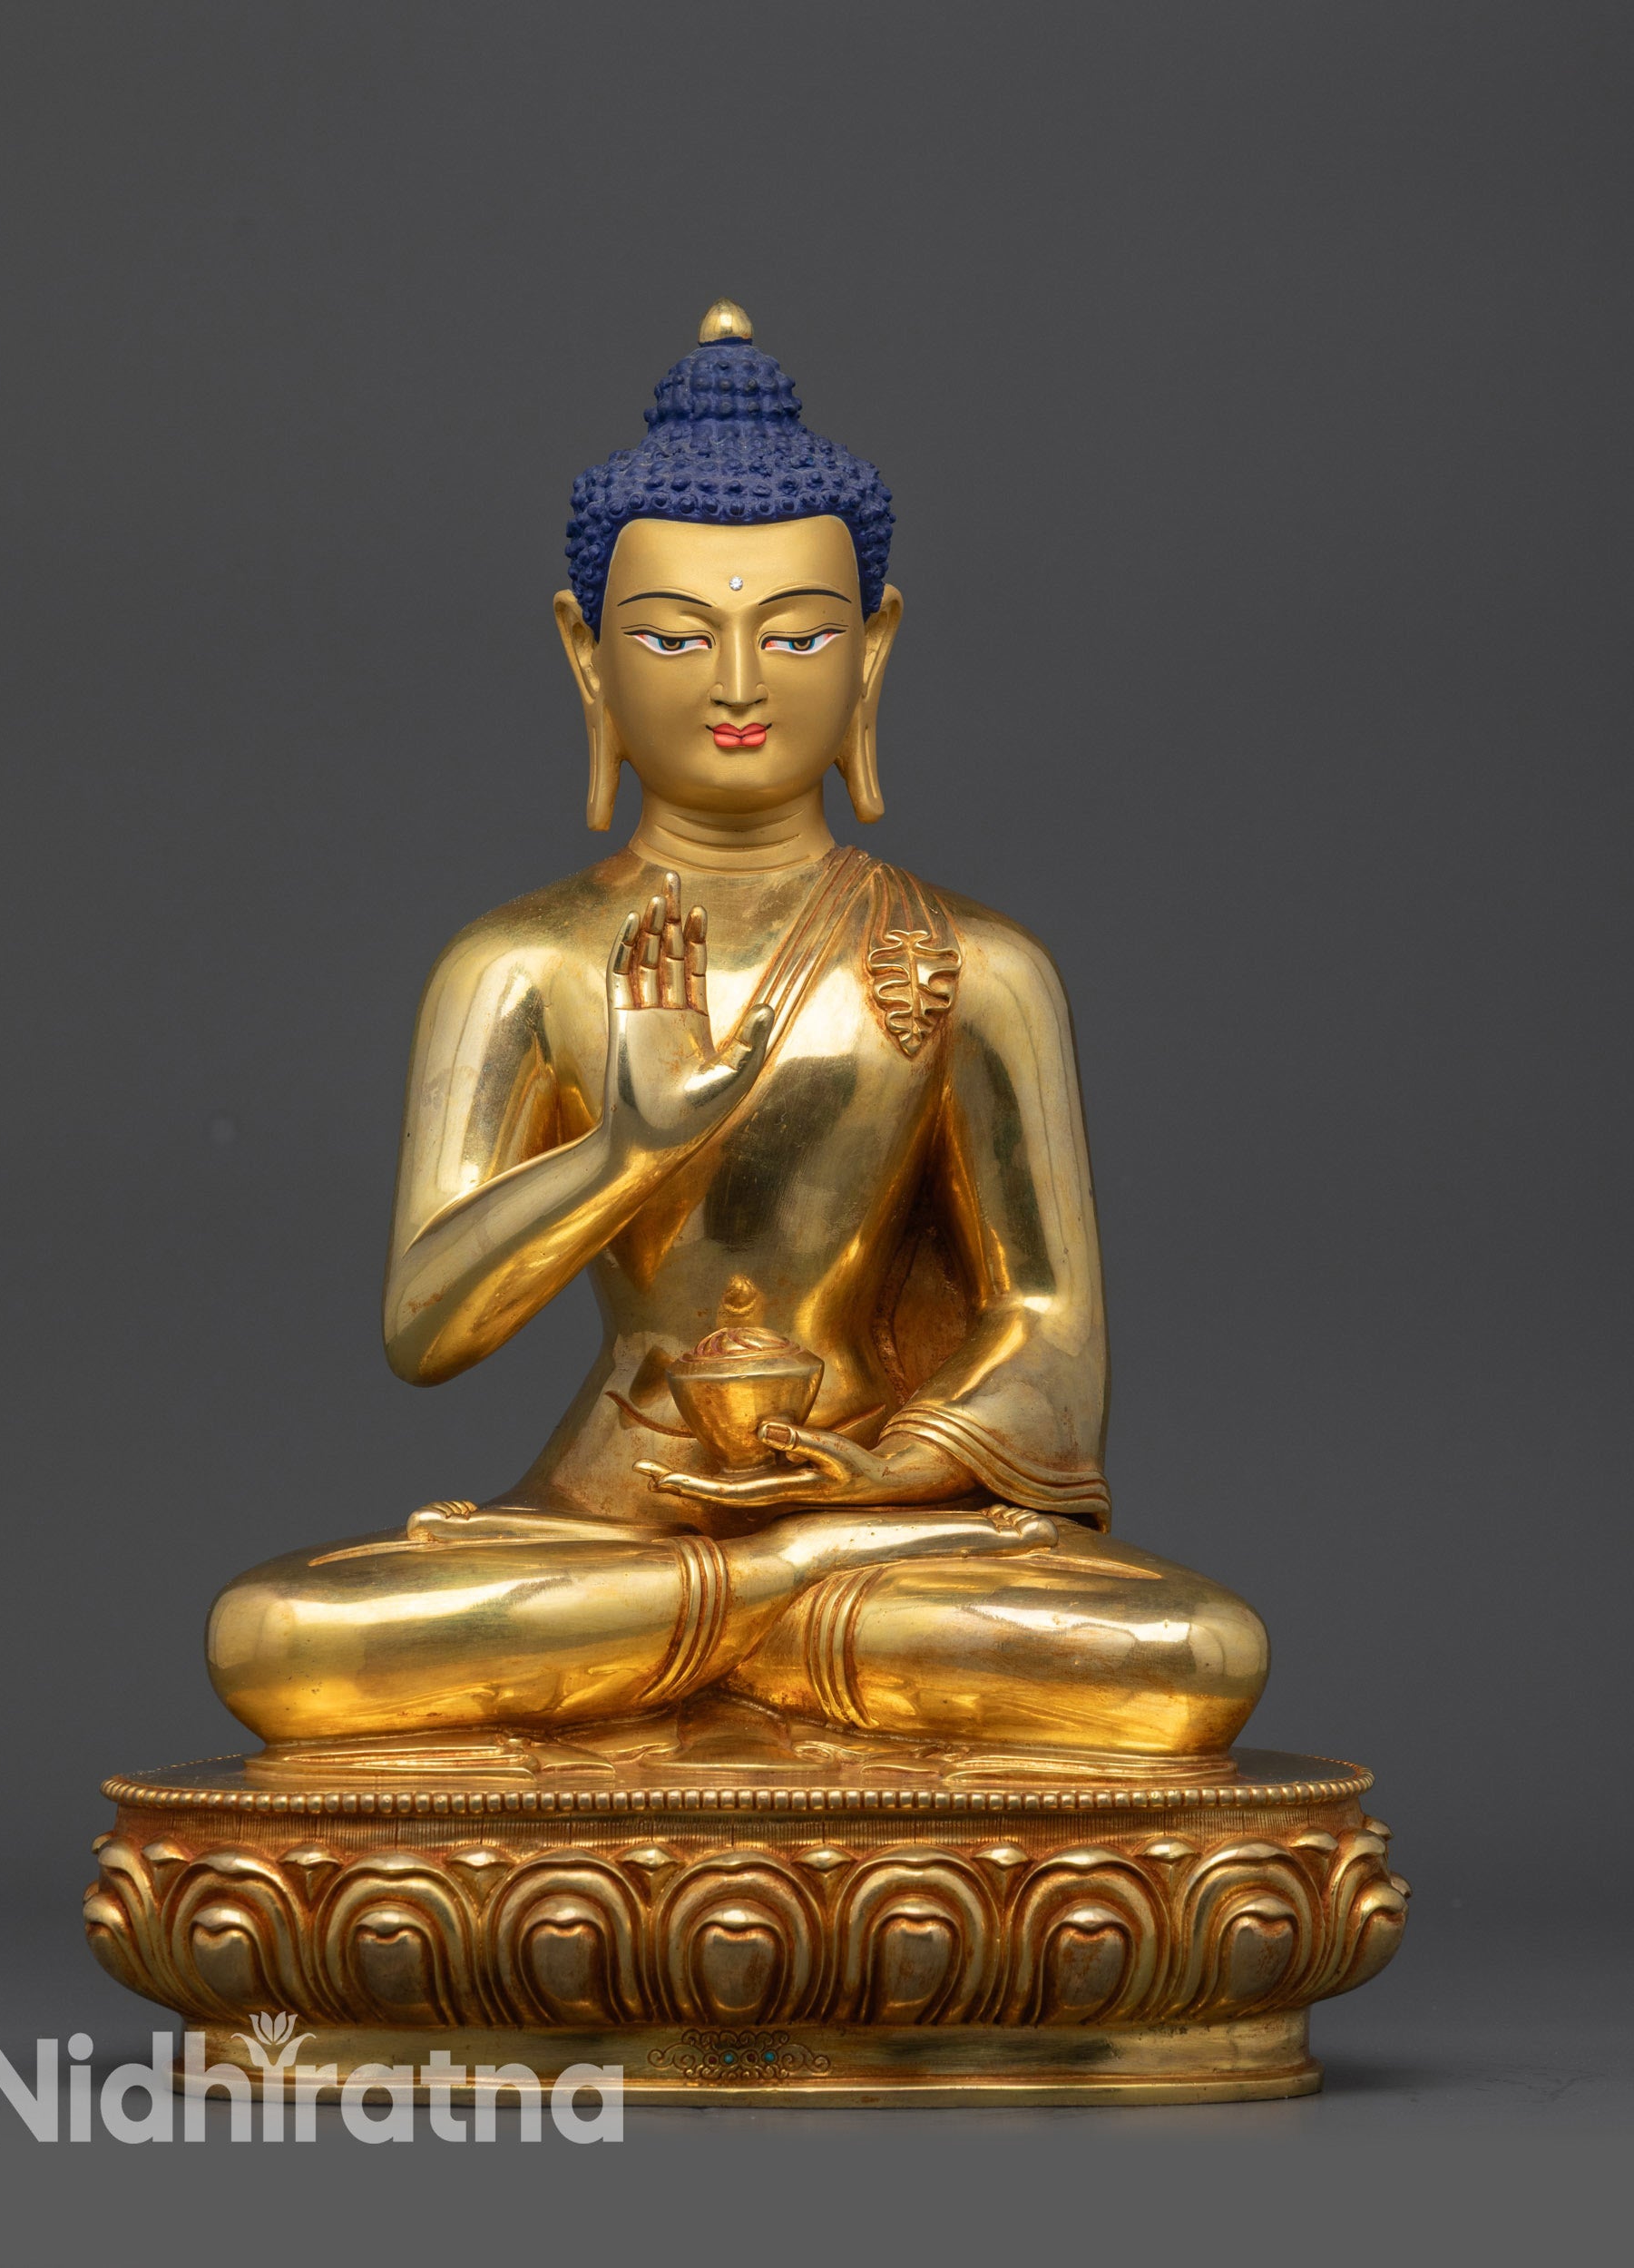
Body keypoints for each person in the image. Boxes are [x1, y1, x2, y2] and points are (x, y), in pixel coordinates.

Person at [206, 304, 1268, 1770]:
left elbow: (1049, 1326)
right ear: (586, 657)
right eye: (672, 635)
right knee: (278, 1640)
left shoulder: (976, 966)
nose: (738, 685)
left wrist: (887, 1470)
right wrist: (628, 1152)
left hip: (874, 1529)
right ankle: (758, 1607)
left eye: (797, 632)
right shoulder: (520, 961)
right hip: (603, 1523)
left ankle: (741, 1614)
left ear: (874, 649)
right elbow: (425, 1328)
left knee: (1193, 1658)